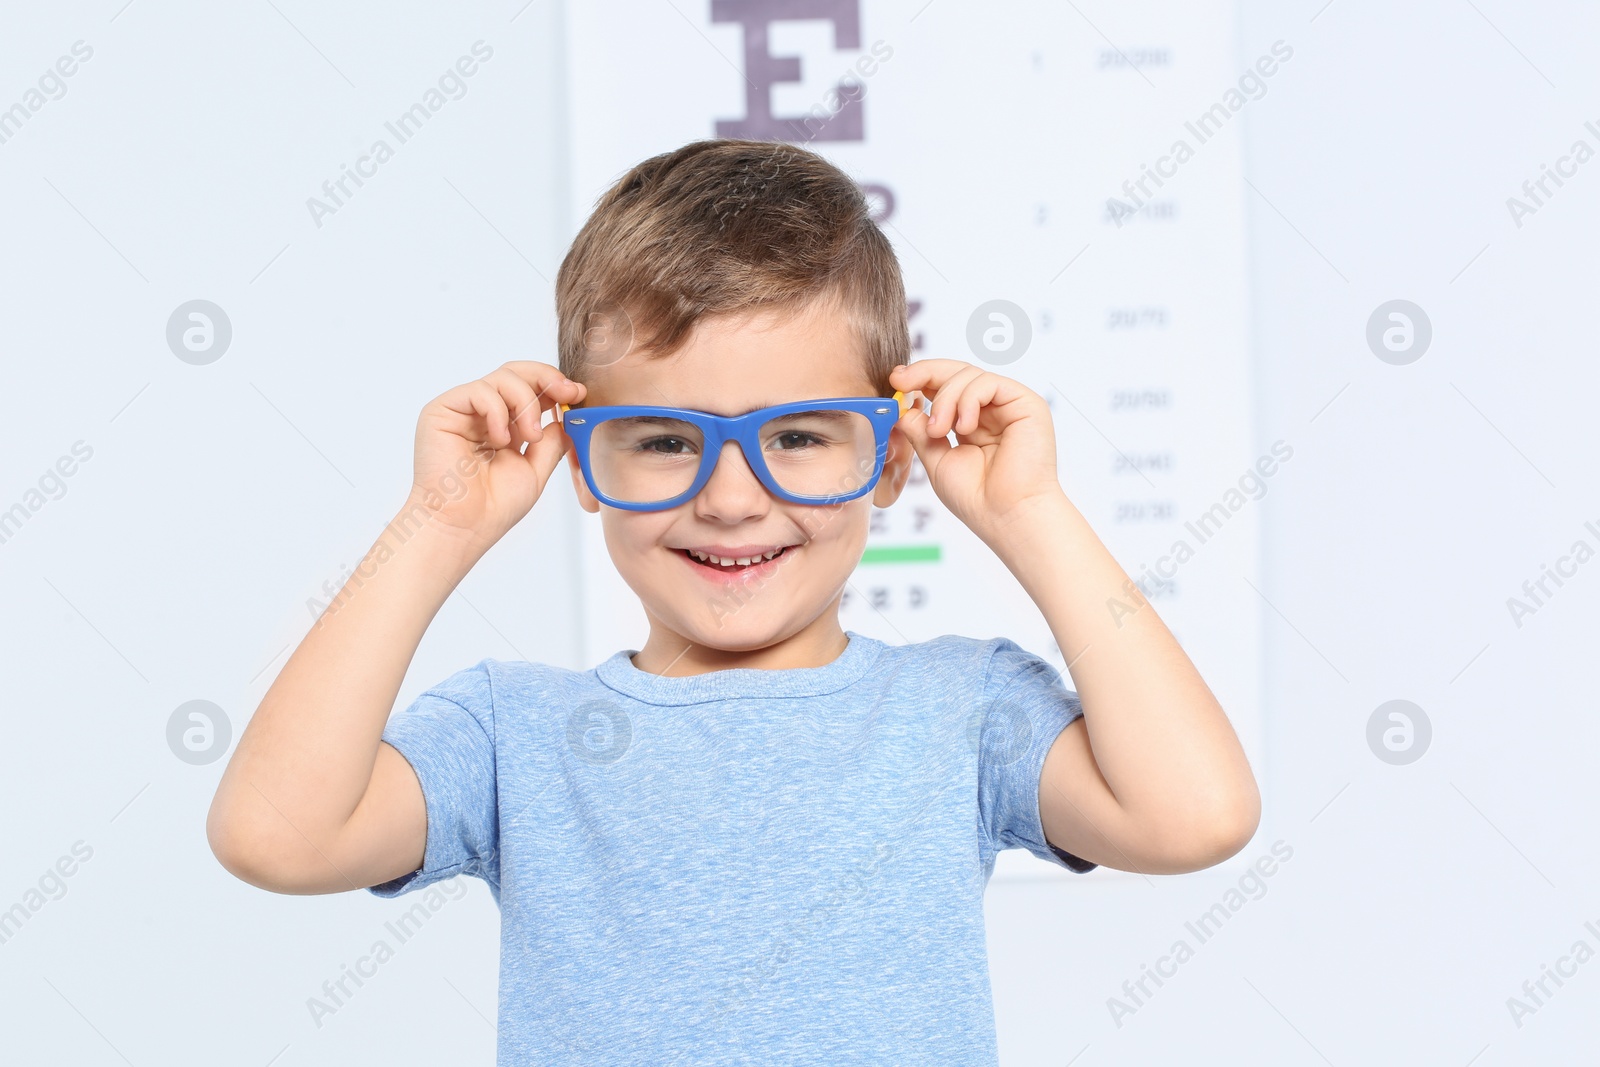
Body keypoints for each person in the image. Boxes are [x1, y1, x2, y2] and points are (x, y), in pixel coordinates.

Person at [206, 138, 1259, 1063]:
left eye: (796, 434)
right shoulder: (512, 732)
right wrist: (436, 524)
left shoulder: (959, 709)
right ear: (579, 457)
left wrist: (1029, 511)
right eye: (665, 440)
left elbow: (1194, 816)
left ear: (889, 454)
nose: (729, 497)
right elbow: (277, 835)